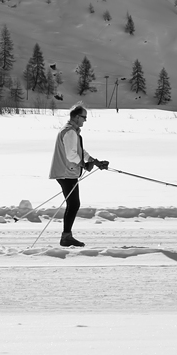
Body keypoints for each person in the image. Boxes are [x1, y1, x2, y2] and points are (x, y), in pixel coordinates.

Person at [49, 103, 108, 247]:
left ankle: (66, 236)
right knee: (74, 204)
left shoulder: (71, 131)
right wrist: (84, 165)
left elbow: (80, 151)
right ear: (76, 117)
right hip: (66, 172)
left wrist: (94, 161)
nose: (85, 120)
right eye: (84, 117)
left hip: (67, 172)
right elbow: (71, 155)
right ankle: (66, 237)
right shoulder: (69, 132)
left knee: (73, 203)